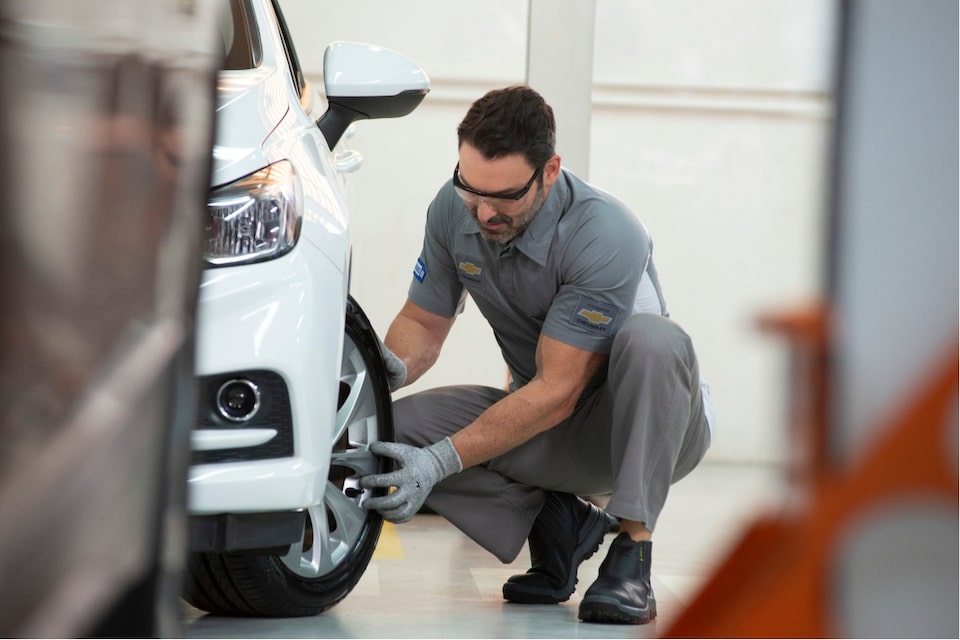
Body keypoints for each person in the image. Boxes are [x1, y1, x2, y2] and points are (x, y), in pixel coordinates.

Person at [359, 84, 715, 625]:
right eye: (470, 188)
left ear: (549, 172)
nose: (483, 211)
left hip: (642, 429)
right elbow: (421, 324)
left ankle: (631, 555)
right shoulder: (453, 211)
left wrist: (442, 462)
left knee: (654, 340)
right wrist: (385, 370)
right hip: (550, 418)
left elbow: (559, 392)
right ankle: (556, 523)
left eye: (503, 197)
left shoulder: (605, 233)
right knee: (391, 433)